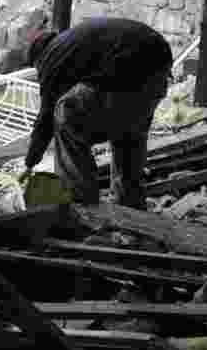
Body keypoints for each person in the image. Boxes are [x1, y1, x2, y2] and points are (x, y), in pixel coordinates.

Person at [16, 14, 173, 210]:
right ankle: (130, 203)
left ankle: (81, 203)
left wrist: (30, 162)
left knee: (65, 115)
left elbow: (45, 118)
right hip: (157, 68)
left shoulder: (51, 57)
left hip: (127, 74)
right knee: (129, 130)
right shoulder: (72, 42)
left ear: (37, 59)